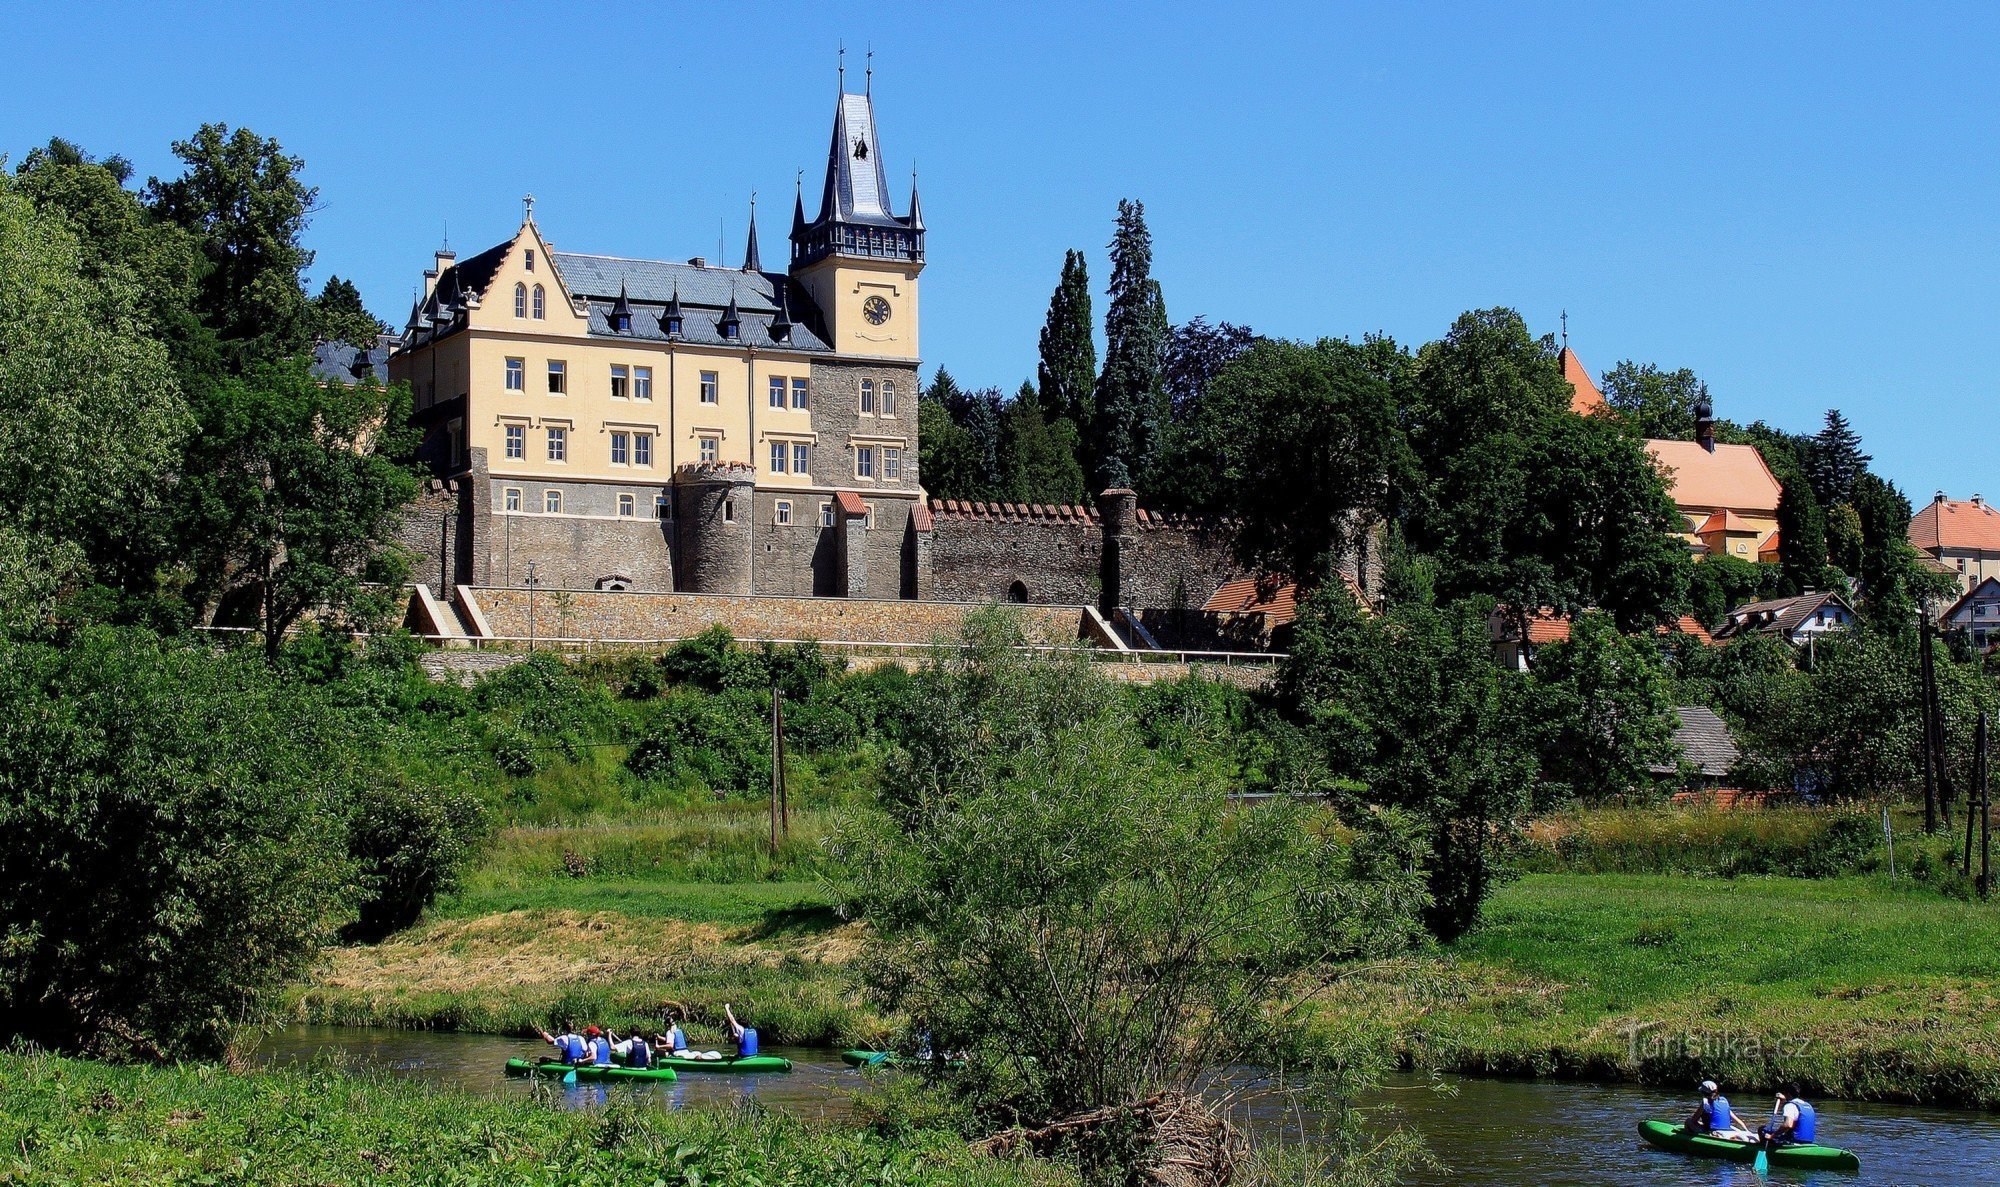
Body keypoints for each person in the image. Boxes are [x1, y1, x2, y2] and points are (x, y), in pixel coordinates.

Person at [1759, 1085, 1818, 1150]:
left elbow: (1788, 1125)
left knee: (1762, 1130)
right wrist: (1783, 1099)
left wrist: (1772, 1136)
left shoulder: (1790, 1105)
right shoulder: (1807, 1105)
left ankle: (1764, 1149)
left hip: (1793, 1141)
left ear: (1788, 1094)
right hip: (1808, 1141)